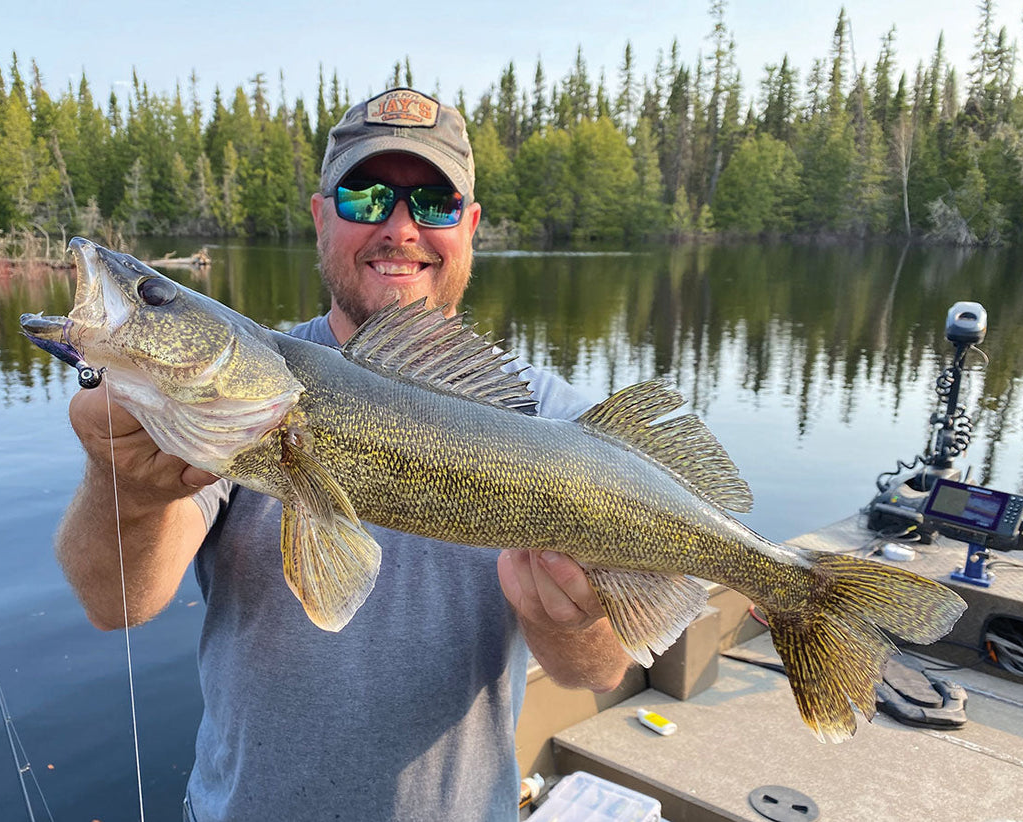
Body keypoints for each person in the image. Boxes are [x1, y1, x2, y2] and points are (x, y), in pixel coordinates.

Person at [57, 87, 632, 821]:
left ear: (471, 225)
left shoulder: (554, 421)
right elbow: (117, 607)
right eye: (365, 197)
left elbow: (605, 670)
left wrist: (572, 619)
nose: (400, 228)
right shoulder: (234, 401)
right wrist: (128, 487)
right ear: (321, 214)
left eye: (434, 203)